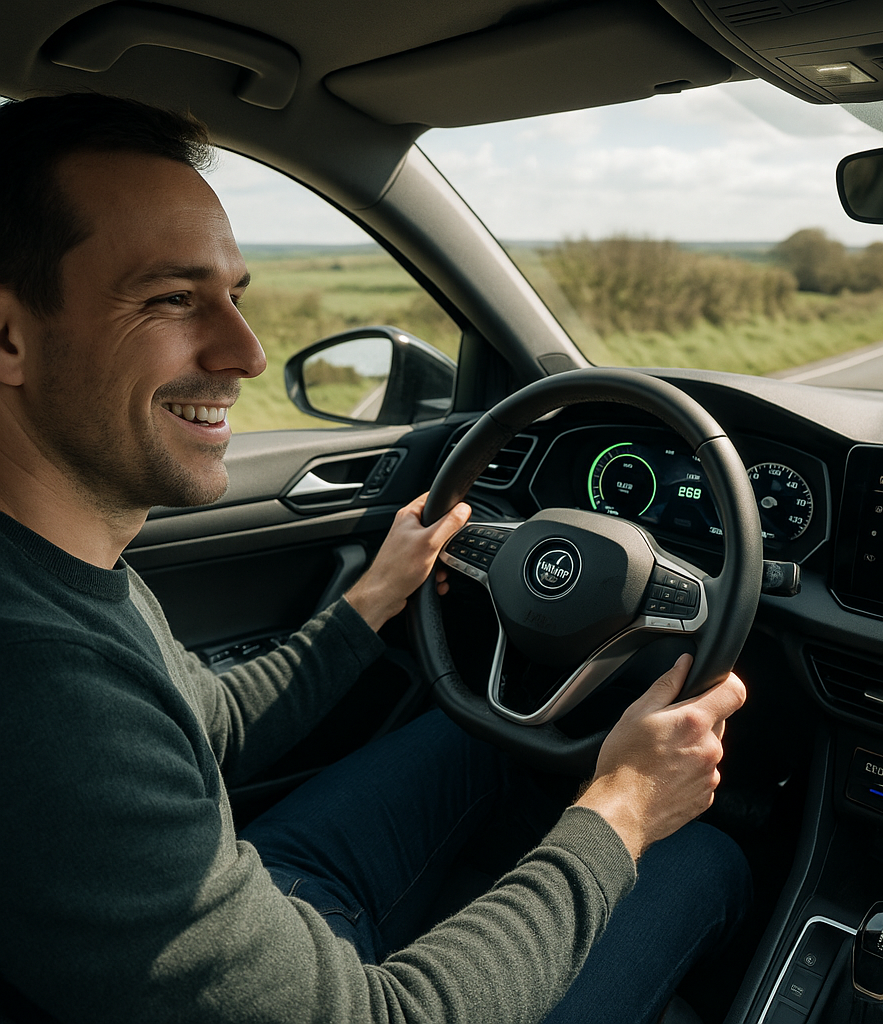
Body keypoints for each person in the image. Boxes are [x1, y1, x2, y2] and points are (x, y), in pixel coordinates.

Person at [0, 93, 750, 1024]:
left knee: (477, 741)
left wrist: (373, 598)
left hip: (254, 918)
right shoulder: (42, 683)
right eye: (170, 298)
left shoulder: (55, 566)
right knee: (701, 859)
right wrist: (628, 808)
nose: (247, 351)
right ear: (8, 336)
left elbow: (209, 724)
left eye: (234, 297)